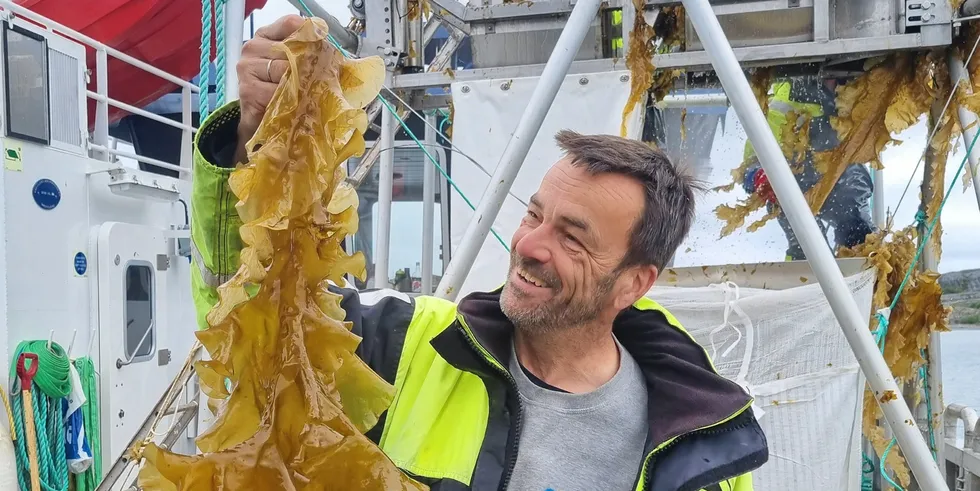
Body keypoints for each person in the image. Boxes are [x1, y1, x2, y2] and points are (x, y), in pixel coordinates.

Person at [189, 15, 768, 491]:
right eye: (534, 213)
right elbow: (250, 311)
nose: (529, 245)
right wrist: (256, 142)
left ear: (633, 283)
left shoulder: (706, 446)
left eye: (573, 237)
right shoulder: (407, 345)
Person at [741, 78, 875, 261]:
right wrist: (759, 177)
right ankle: (804, 279)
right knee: (806, 248)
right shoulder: (783, 107)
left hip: (843, 180)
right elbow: (748, 167)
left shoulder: (862, 92)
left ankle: (864, 275)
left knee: (860, 233)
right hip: (794, 185)